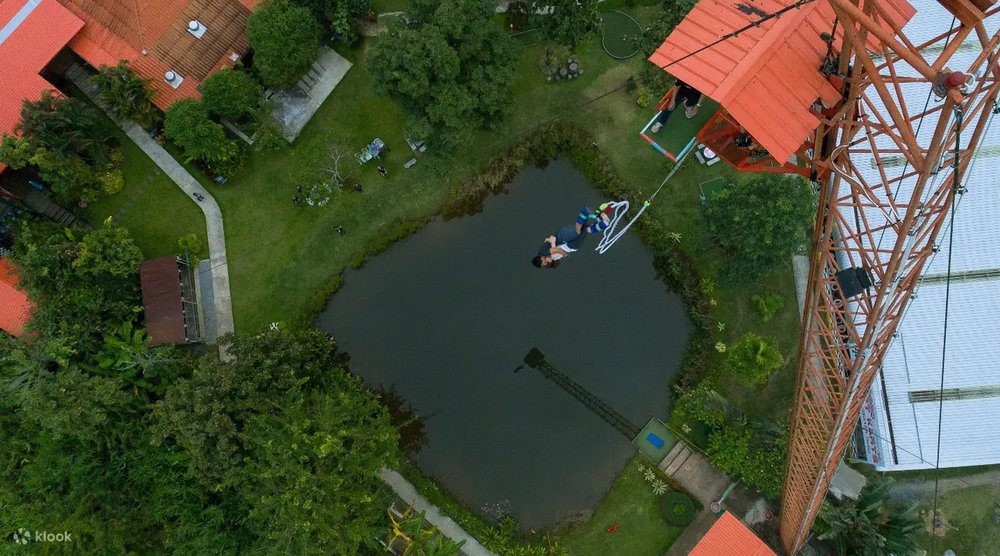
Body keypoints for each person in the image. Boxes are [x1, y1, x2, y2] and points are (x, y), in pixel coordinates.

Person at [531, 207, 612, 268]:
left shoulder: (545, 253)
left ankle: (584, 213)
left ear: (541, 259)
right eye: (547, 263)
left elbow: (558, 250)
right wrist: (550, 239)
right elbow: (549, 240)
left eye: (544, 262)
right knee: (585, 230)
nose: (546, 262)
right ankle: (602, 223)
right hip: (565, 239)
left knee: (578, 231)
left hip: (564, 238)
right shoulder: (544, 252)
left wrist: (566, 255)